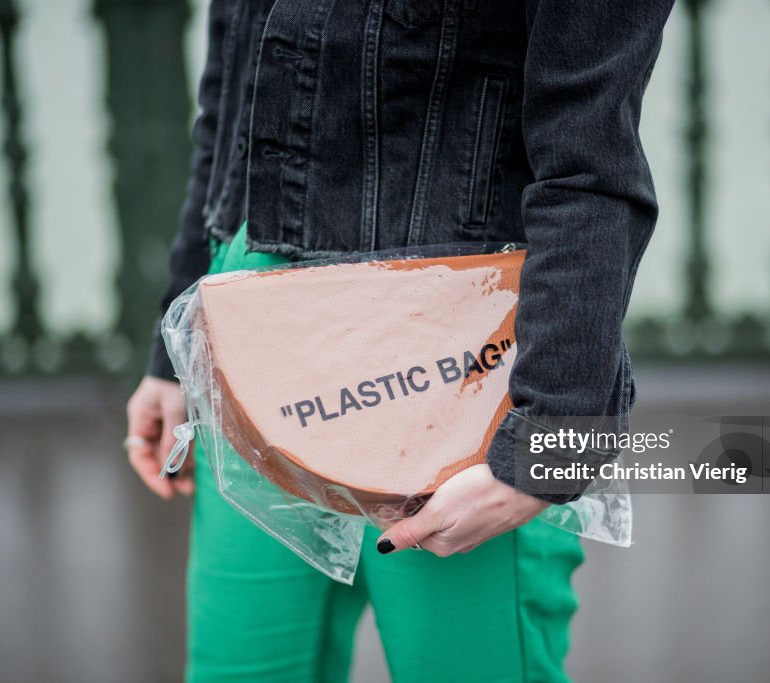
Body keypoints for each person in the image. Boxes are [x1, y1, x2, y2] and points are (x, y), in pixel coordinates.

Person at [126, 1, 673, 680]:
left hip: (454, 365)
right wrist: (176, 353)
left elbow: (589, 162)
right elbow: (230, 100)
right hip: (249, 338)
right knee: (240, 666)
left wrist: (546, 444)